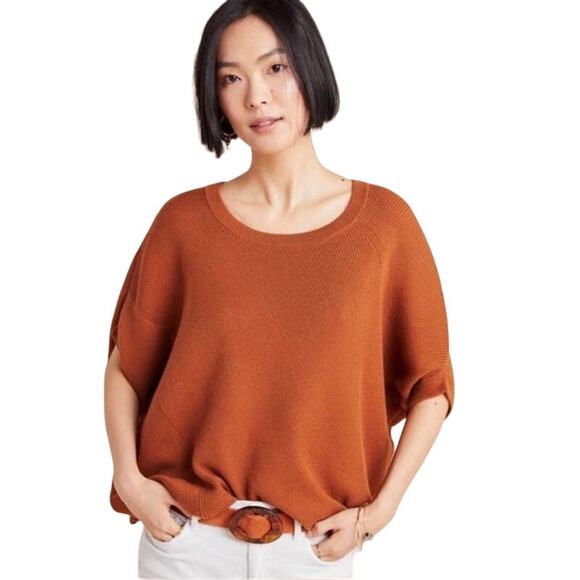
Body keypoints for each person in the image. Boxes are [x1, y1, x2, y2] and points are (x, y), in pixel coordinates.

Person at [103, 0, 455, 578]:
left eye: (275, 68)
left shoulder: (384, 227)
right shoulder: (183, 225)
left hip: (314, 548)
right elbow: (127, 364)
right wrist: (130, 480)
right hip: (185, 545)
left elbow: (432, 387)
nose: (256, 97)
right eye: (231, 79)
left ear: (310, 67)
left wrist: (378, 513)